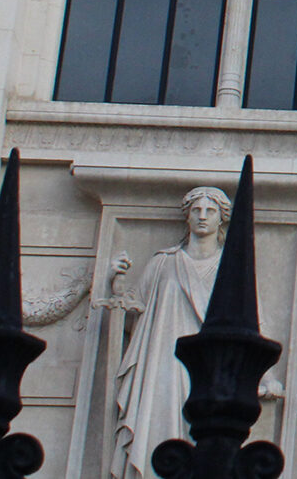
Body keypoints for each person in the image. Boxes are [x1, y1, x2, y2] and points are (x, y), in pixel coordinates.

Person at [107, 187, 282, 479]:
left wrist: (266, 376)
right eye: (196, 211)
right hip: (162, 362)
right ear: (187, 217)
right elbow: (130, 319)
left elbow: (252, 327)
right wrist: (115, 282)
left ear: (221, 219)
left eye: (210, 211)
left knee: (207, 435)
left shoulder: (232, 269)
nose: (202, 217)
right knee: (157, 432)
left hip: (210, 369)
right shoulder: (163, 262)